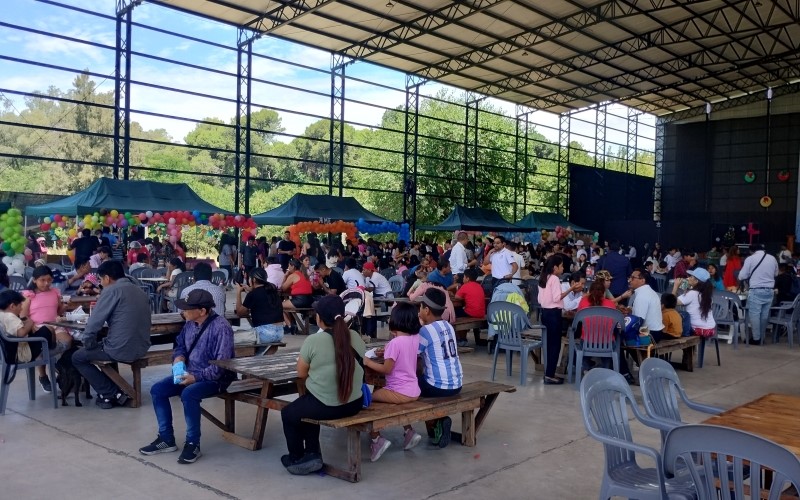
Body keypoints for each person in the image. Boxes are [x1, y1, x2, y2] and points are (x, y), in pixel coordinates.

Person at [138, 289, 234, 464]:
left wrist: (195, 378)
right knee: (157, 390)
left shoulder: (222, 328)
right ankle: (166, 439)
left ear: (202, 311)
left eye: (187, 308)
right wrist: (178, 358)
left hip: (215, 379)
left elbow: (221, 366)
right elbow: (180, 345)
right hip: (188, 373)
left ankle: (193, 443)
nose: (182, 311)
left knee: (188, 394)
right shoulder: (190, 323)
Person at [280, 295, 365, 475]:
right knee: (309, 403)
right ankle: (312, 453)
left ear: (319, 318)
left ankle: (297, 457)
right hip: (355, 403)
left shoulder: (313, 341)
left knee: (289, 413)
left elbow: (301, 373)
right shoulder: (355, 337)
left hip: (327, 406)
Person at [72, 261, 152, 409]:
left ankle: (111, 393)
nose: (101, 284)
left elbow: (93, 325)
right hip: (142, 347)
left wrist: (89, 345)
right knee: (105, 344)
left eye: (101, 280)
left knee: (78, 357)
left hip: (119, 349)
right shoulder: (139, 290)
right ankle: (109, 395)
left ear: (107, 278)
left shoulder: (111, 291)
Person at [362, 303, 423, 461]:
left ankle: (376, 439)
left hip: (398, 391)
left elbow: (386, 369)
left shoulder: (394, 343)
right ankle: (409, 431)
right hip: (414, 390)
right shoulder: (415, 338)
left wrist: (367, 362)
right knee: (380, 392)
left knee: (366, 399)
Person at [414, 287, 462, 447]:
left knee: (408, 384)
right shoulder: (448, 326)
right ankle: (438, 422)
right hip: (456, 384)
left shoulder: (425, 331)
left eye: (420, 307)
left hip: (437, 387)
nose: (419, 310)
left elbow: (411, 354)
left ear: (426, 310)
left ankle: (436, 422)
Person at [21, 266, 71, 392]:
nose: (46, 283)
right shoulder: (29, 295)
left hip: (55, 324)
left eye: (49, 280)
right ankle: (43, 375)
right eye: (42, 280)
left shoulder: (55, 292)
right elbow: (23, 315)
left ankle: (51, 361)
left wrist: (64, 307)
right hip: (38, 326)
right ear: (34, 280)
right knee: (43, 344)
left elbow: (58, 311)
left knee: (68, 341)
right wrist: (32, 327)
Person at [0, 289, 67, 373]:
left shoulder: (2, 315)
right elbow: (21, 333)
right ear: (12, 306)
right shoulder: (10, 316)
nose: (21, 308)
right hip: (23, 353)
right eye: (20, 305)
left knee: (43, 330)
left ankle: (52, 348)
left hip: (8, 352)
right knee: (47, 329)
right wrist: (30, 322)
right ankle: (53, 348)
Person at [537, 255, 571, 385]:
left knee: (549, 344)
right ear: (555, 267)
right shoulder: (555, 279)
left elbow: (540, 299)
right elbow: (557, 298)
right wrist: (571, 289)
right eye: (561, 266)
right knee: (555, 346)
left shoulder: (543, 278)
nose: (563, 268)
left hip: (545, 313)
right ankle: (549, 375)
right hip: (554, 314)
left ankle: (549, 372)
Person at [234, 268, 284, 353]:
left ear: (253, 279)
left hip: (265, 334)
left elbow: (239, 312)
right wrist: (251, 290)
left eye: (249, 278)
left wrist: (238, 292)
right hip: (279, 332)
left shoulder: (253, 294)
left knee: (234, 336)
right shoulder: (272, 291)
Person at [738, 244, 779, 344]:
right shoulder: (772, 258)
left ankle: (756, 339)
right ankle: (762, 338)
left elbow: (742, 276)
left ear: (751, 251)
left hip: (756, 290)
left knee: (754, 315)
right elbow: (776, 273)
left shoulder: (750, 259)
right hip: (769, 290)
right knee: (764, 315)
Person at [620, 269, 666, 344]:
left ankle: (635, 355)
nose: (629, 280)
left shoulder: (642, 296)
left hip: (650, 334)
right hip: (656, 332)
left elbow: (637, 321)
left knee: (619, 338)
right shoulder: (648, 292)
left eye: (633, 278)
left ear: (642, 281)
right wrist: (630, 310)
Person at [673, 268, 716, 337]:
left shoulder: (692, 293)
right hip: (710, 329)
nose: (688, 278)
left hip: (697, 329)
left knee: (678, 315)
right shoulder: (707, 295)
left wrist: (675, 286)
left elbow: (671, 303)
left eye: (691, 277)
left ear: (696, 281)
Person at [281, 259, 314, 334]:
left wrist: (285, 276)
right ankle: (293, 324)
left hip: (300, 300)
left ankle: (290, 326)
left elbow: (283, 288)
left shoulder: (293, 275)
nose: (288, 267)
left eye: (289, 266)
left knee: (279, 306)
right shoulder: (304, 274)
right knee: (286, 306)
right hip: (309, 300)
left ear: (293, 266)